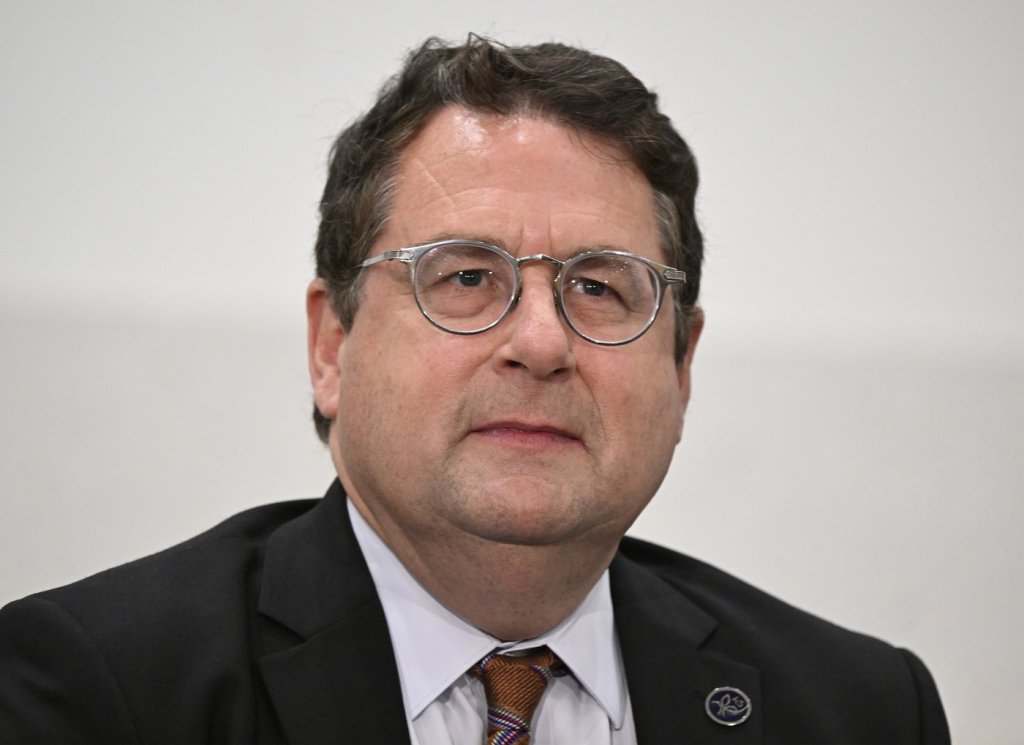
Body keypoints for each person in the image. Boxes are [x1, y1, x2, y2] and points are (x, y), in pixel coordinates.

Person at [0, 36, 949, 744]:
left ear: (682, 365)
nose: (541, 343)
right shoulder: (96, 689)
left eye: (600, 287)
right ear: (332, 344)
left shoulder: (862, 711)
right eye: (465, 277)